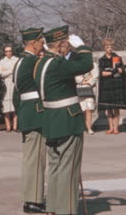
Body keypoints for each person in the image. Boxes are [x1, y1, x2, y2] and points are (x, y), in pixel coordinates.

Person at [33, 26, 93, 215]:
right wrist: (82, 47)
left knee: (54, 168)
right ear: (60, 45)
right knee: (68, 168)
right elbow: (85, 65)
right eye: (65, 43)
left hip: (50, 120)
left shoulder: (40, 63)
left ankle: (53, 207)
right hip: (67, 120)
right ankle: (66, 210)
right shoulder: (57, 65)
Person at [12, 27, 46, 213]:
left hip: (27, 113)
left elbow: (17, 95)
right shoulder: (33, 62)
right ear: (32, 43)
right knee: (35, 160)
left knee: (31, 159)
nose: (43, 44)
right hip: (36, 114)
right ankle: (33, 200)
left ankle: (31, 197)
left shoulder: (20, 61)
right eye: (41, 41)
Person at [98, 38, 126, 134]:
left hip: (117, 86)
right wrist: (112, 71)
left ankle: (116, 128)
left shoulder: (117, 58)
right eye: (107, 47)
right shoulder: (102, 60)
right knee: (109, 108)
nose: (109, 49)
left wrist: (118, 70)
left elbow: (121, 71)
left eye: (111, 47)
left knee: (116, 108)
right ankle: (110, 127)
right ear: (104, 48)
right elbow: (102, 73)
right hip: (106, 87)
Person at [0, 44, 19, 132]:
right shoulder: (2, 61)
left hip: (15, 82)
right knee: (6, 105)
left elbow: (17, 71)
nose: (8, 53)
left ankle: (15, 126)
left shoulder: (17, 59)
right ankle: (8, 126)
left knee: (15, 104)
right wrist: (11, 70)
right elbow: (1, 73)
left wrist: (7, 71)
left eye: (10, 51)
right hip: (6, 83)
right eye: (6, 51)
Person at [75, 62, 99, 135]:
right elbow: (75, 75)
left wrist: (88, 82)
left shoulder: (94, 64)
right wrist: (82, 81)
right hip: (80, 87)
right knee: (82, 109)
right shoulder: (77, 63)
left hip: (90, 88)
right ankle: (83, 128)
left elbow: (95, 75)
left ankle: (89, 128)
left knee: (89, 109)